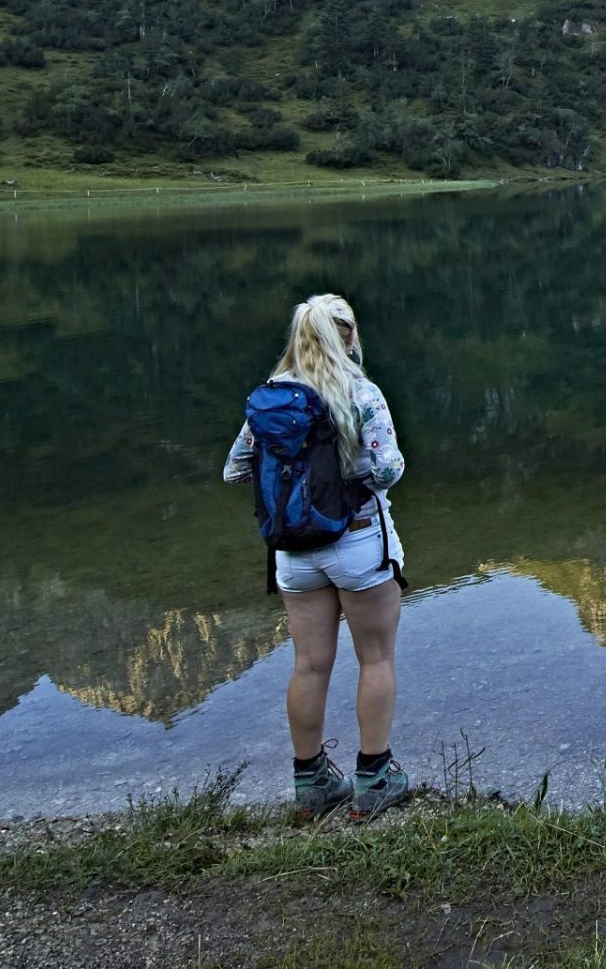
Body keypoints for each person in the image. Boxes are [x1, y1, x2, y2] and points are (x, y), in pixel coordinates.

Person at [224, 293, 411, 821]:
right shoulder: (360, 392)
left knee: (309, 665)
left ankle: (311, 784)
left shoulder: (270, 398)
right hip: (355, 542)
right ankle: (374, 777)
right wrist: (345, 477)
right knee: (375, 659)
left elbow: (235, 470)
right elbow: (389, 469)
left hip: (293, 555)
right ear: (348, 336)